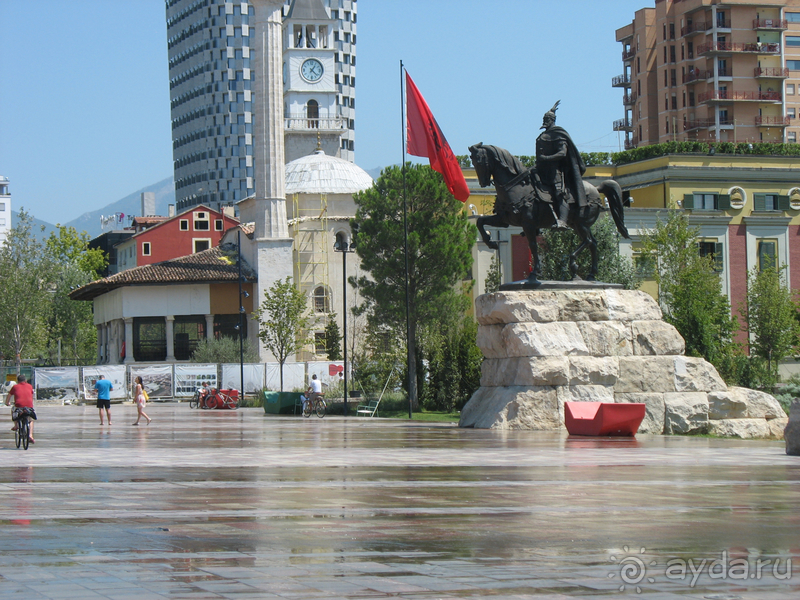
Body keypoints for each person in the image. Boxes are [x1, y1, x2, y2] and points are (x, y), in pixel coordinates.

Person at [535, 100, 587, 229]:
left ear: (553, 119)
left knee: (559, 193)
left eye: (547, 118)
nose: (545, 120)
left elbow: (562, 153)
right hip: (540, 168)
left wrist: (546, 158)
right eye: (544, 118)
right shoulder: (542, 135)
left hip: (555, 170)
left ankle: (563, 220)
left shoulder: (559, 134)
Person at [6, 374, 36, 444]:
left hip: (19, 406)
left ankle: (16, 425)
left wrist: (7, 403)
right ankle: (30, 435)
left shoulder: (15, 387)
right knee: (30, 420)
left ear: (17, 381)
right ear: (25, 380)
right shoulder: (30, 386)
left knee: (13, 409)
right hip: (29, 406)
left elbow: (9, 396)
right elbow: (31, 395)